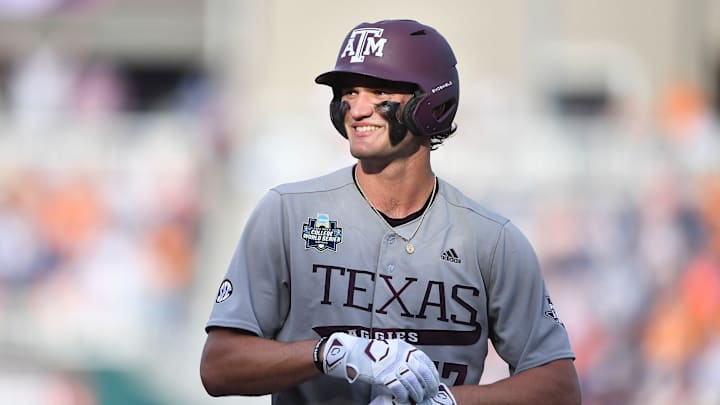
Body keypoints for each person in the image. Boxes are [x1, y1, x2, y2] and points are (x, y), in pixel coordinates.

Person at [200, 19, 581, 405]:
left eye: (378, 90)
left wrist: (449, 402)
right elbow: (218, 367)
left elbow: (559, 386)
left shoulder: (491, 239)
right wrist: (330, 352)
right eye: (349, 92)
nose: (357, 109)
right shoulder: (287, 212)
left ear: (431, 101)